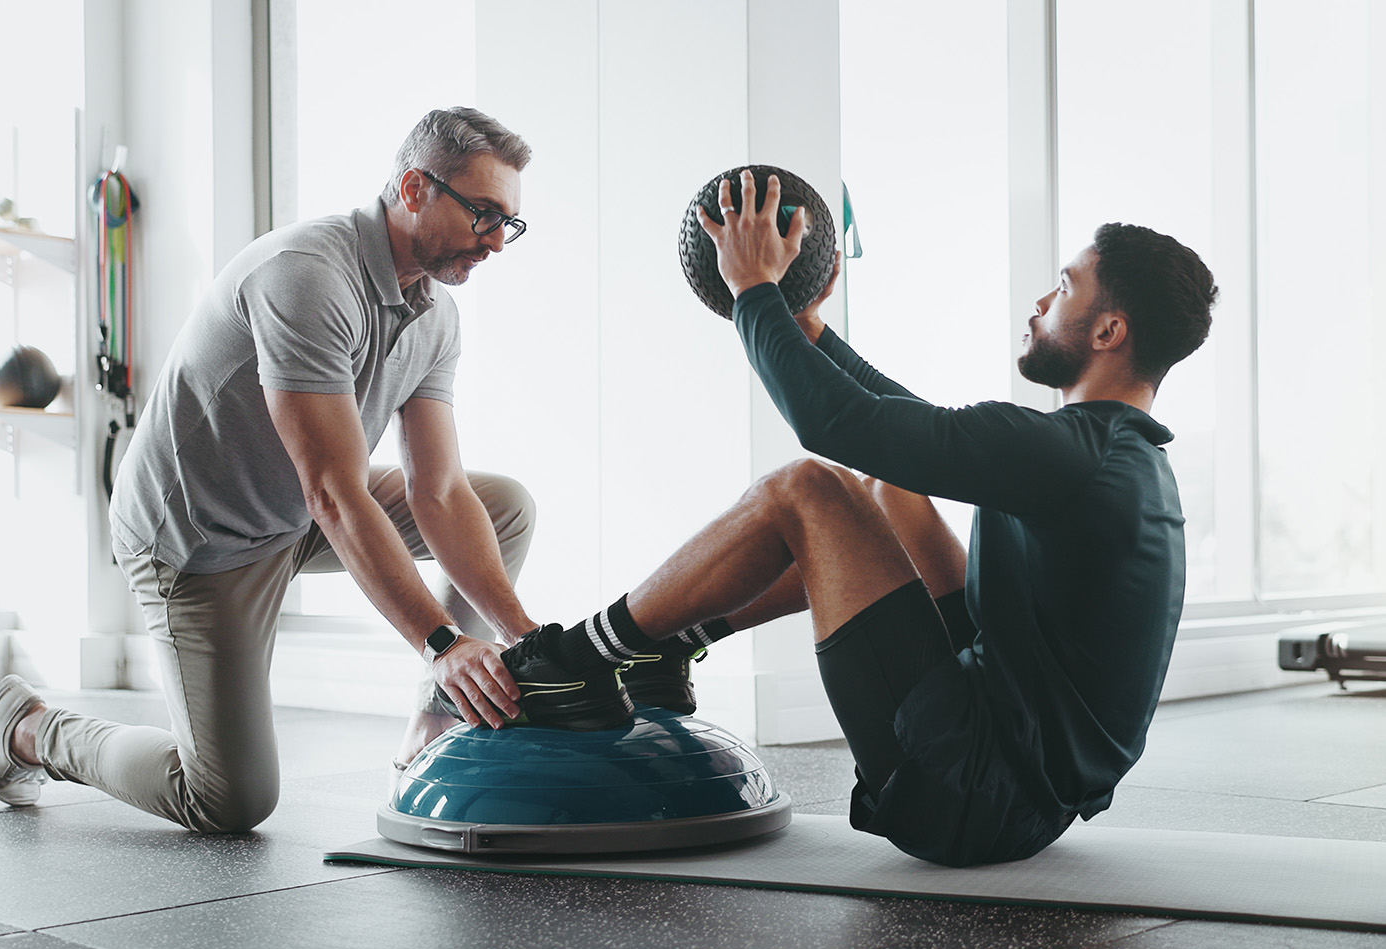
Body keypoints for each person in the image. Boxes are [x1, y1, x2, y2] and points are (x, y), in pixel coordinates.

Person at [476, 169, 1217, 867]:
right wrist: (808, 329)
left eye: (1062, 289)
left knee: (804, 488)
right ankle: (669, 647)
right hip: (1022, 789)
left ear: (1108, 331)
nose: (1039, 303)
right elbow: (905, 427)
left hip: (969, 797)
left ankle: (575, 661)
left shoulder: (1072, 452)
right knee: (897, 491)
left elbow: (835, 426)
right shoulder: (1111, 452)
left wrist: (754, 291)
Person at [0, 107, 572, 833]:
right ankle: (31, 727)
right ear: (414, 188)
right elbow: (333, 490)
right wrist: (443, 643)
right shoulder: (307, 275)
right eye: (483, 213)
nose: (496, 242)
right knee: (229, 801)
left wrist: (526, 637)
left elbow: (438, 490)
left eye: (507, 222)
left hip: (297, 510)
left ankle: (439, 721)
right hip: (200, 540)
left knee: (503, 504)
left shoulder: (434, 314)